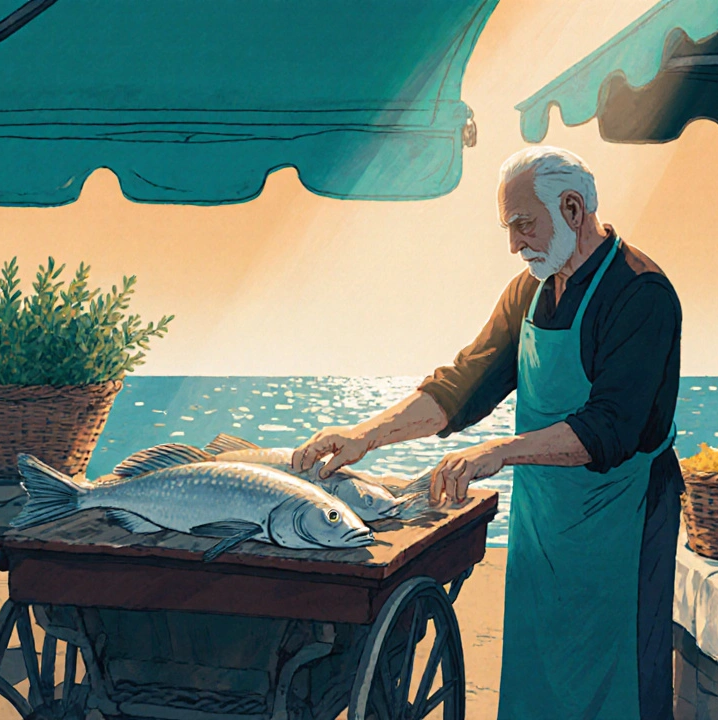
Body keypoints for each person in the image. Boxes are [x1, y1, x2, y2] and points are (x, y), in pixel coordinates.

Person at [292, 146, 683, 719]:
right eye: (510, 227)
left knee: (618, 685)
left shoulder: (640, 293)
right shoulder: (528, 291)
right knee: (537, 676)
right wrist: (365, 436)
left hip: (623, 527)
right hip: (546, 521)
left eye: (524, 224)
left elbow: (609, 430)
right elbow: (462, 386)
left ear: (572, 209)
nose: (514, 243)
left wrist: (496, 454)